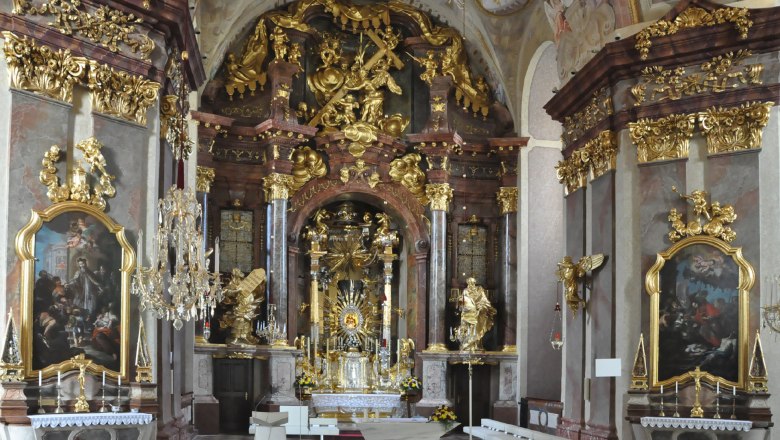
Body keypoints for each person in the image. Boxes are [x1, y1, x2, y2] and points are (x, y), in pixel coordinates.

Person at [458, 277, 496, 351]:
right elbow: (462, 302)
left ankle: (477, 345)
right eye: (469, 283)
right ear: (467, 283)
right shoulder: (465, 291)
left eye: (473, 283)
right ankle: (468, 345)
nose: (471, 284)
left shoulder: (479, 290)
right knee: (468, 328)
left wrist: (481, 307)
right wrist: (463, 305)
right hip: (468, 314)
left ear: (475, 283)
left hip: (479, 313)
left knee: (478, 327)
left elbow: (485, 301)